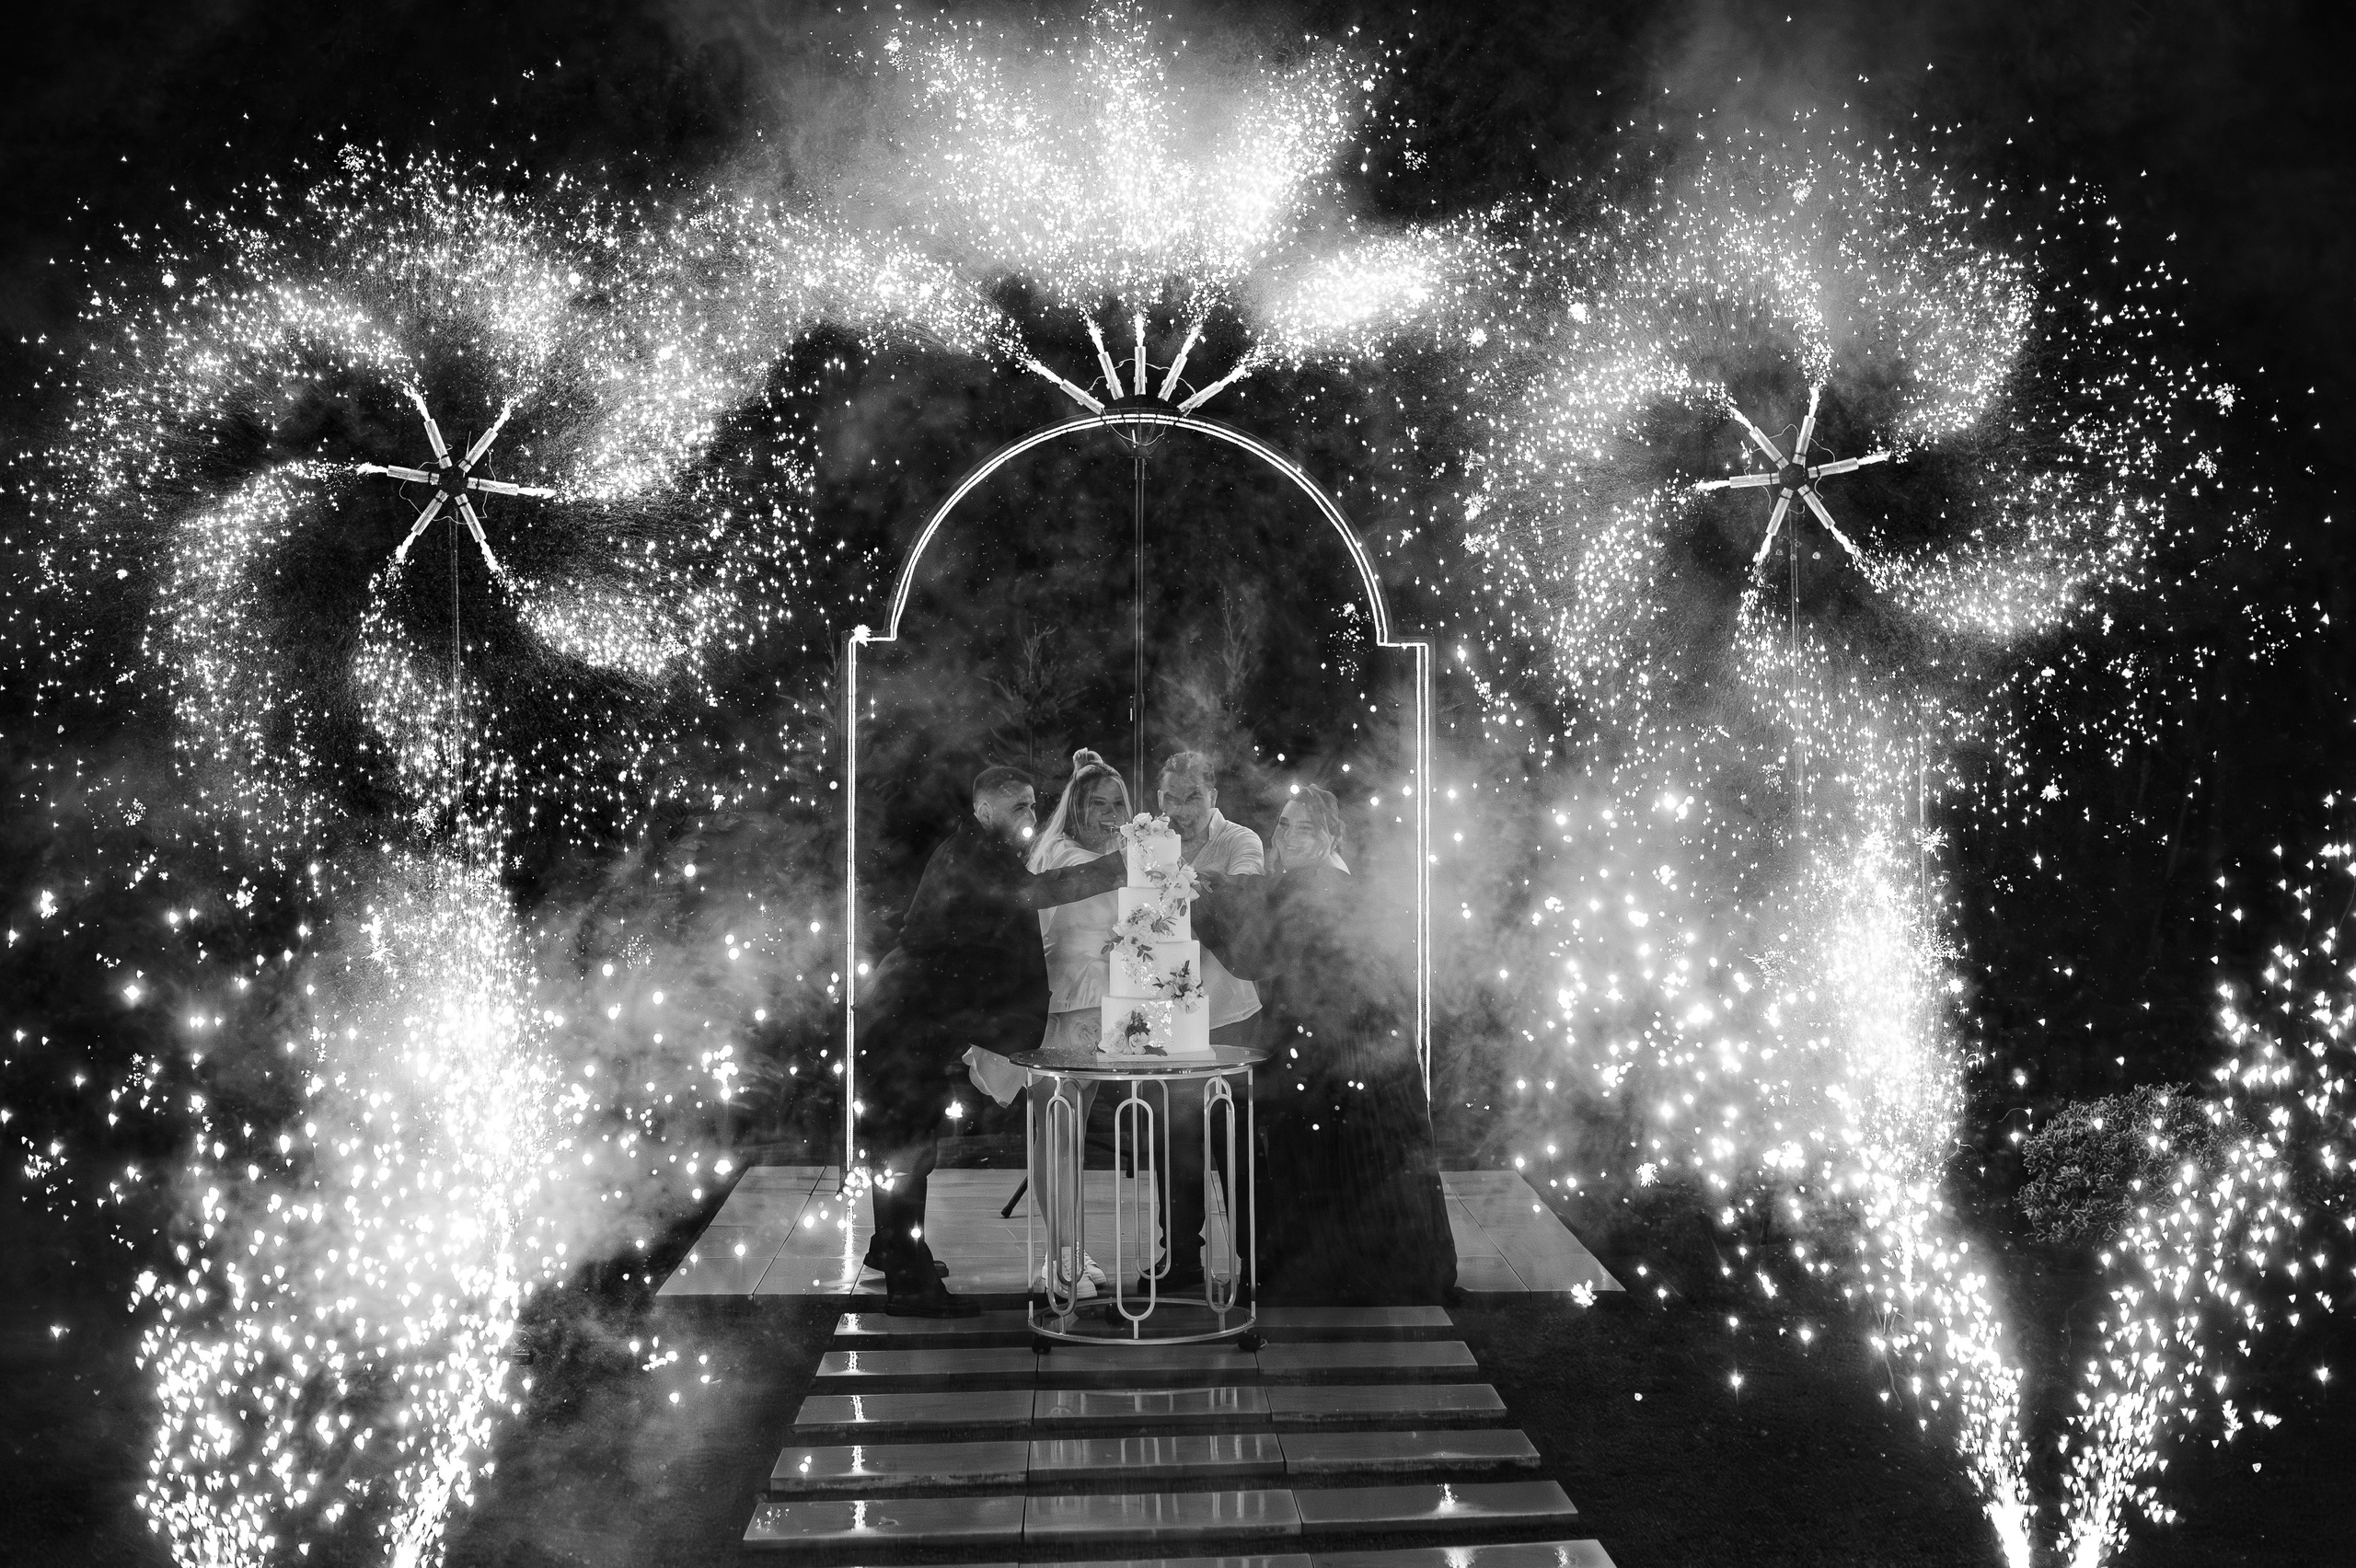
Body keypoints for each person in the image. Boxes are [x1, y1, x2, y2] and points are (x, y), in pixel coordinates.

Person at [853, 764, 1126, 1316]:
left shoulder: (978, 850)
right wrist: (1118, 867)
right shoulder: (971, 856)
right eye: (1020, 806)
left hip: (913, 1010)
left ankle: (891, 1250)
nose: (1031, 816)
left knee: (904, 1142)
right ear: (985, 807)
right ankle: (910, 1287)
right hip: (907, 1014)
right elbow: (1035, 894)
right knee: (906, 1149)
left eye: (1032, 805)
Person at [1190, 783, 1458, 1305]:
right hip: (1351, 1043)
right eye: (1284, 824)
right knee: (1348, 1151)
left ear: (1333, 835)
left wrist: (1197, 900)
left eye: (1304, 827)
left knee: (1327, 1145)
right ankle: (1341, 1261)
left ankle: (1324, 1267)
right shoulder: (1320, 883)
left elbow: (1256, 954)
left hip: (1344, 1045)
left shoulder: (1317, 885)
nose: (1287, 835)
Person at [963, 748, 1127, 1298]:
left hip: (1100, 1010)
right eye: (1097, 803)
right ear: (1075, 809)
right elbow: (1048, 926)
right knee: (1055, 1133)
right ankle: (1059, 1256)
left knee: (1067, 1134)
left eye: (1117, 803)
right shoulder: (1060, 854)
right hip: (1062, 1008)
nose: (1109, 812)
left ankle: (1070, 1245)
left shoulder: (1116, 851)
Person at [1142, 751, 1265, 1294]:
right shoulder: (1146, 843)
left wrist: (1180, 882)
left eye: (1193, 796)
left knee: (1235, 1144)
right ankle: (1180, 1262)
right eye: (1171, 797)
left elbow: (1243, 902)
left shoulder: (1242, 842)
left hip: (1229, 1016)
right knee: (1174, 1144)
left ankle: (1254, 1258)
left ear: (1213, 797)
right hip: (1168, 1018)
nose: (1181, 809)